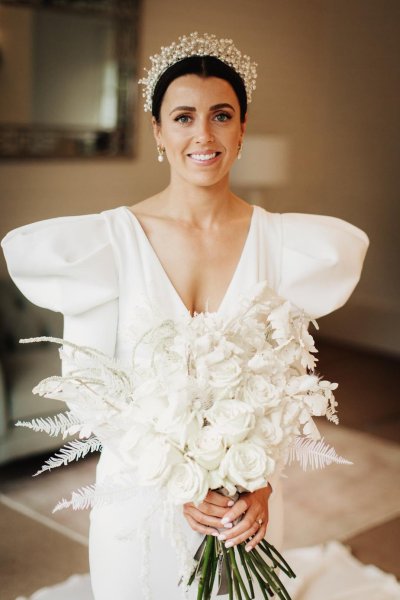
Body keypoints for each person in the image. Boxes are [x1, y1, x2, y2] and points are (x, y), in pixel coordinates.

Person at [1, 33, 369, 600]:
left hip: (242, 508)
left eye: (221, 116)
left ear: (242, 128)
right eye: (183, 117)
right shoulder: (110, 244)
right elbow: (93, 395)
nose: (204, 134)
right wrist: (176, 480)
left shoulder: (287, 244)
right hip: (138, 502)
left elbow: (287, 385)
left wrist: (261, 482)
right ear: (158, 131)